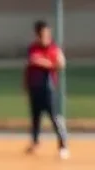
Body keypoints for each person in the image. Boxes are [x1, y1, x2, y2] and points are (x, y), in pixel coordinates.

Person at [24, 20, 69, 159]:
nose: (46, 37)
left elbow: (60, 63)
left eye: (47, 34)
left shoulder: (53, 48)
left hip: (48, 89)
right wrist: (48, 63)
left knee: (55, 117)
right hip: (34, 87)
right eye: (43, 34)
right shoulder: (33, 48)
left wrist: (46, 62)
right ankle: (35, 142)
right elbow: (32, 61)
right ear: (37, 35)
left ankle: (63, 146)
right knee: (35, 117)